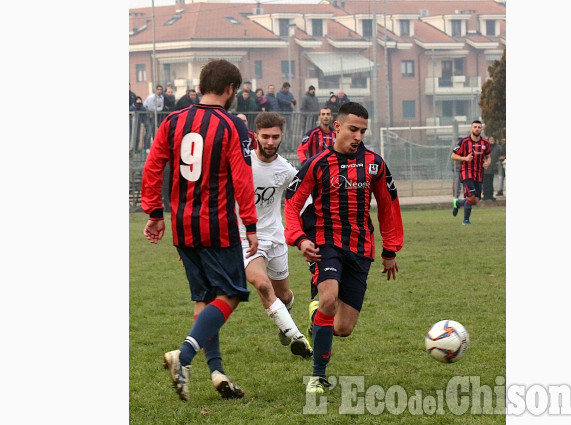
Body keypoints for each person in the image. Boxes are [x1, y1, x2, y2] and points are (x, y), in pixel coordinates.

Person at [141, 59, 258, 401]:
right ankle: (185, 355)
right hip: (217, 225)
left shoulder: (173, 121)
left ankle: (217, 373)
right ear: (230, 89)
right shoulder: (232, 125)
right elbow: (242, 179)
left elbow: (153, 166)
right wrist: (250, 224)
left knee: (205, 299)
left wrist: (153, 212)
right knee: (233, 293)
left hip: (181, 225)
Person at [284, 102, 404, 395]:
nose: (358, 136)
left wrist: (390, 251)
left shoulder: (374, 164)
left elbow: (389, 206)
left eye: (363, 130)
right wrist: (300, 239)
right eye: (353, 129)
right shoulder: (317, 163)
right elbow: (292, 204)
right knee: (328, 300)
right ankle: (318, 376)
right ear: (336, 127)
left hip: (360, 248)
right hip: (326, 244)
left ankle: (317, 318)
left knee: (343, 328)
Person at [240, 111, 313, 359]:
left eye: (275, 137)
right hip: (246, 237)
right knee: (261, 284)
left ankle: (285, 319)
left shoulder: (286, 171)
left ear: (281, 137)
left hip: (276, 238)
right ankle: (296, 336)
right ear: (256, 135)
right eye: (265, 136)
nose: (270, 142)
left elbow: (303, 201)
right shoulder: (243, 165)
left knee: (283, 295)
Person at [451, 120, 491, 225]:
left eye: (479, 127)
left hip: (478, 173)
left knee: (476, 200)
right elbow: (453, 156)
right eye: (475, 127)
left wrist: (487, 163)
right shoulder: (464, 142)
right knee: (471, 196)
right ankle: (466, 220)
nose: (477, 129)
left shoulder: (485, 143)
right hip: (466, 172)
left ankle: (458, 203)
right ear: (471, 129)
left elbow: (488, 156)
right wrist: (465, 158)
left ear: (481, 129)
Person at [482, 136, 502, 201]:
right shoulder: (485, 147)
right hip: (485, 167)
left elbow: (502, 153)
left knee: (490, 182)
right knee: (485, 182)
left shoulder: (497, 147)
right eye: (490, 139)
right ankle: (485, 195)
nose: (491, 140)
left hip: (493, 167)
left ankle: (490, 195)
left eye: (493, 139)